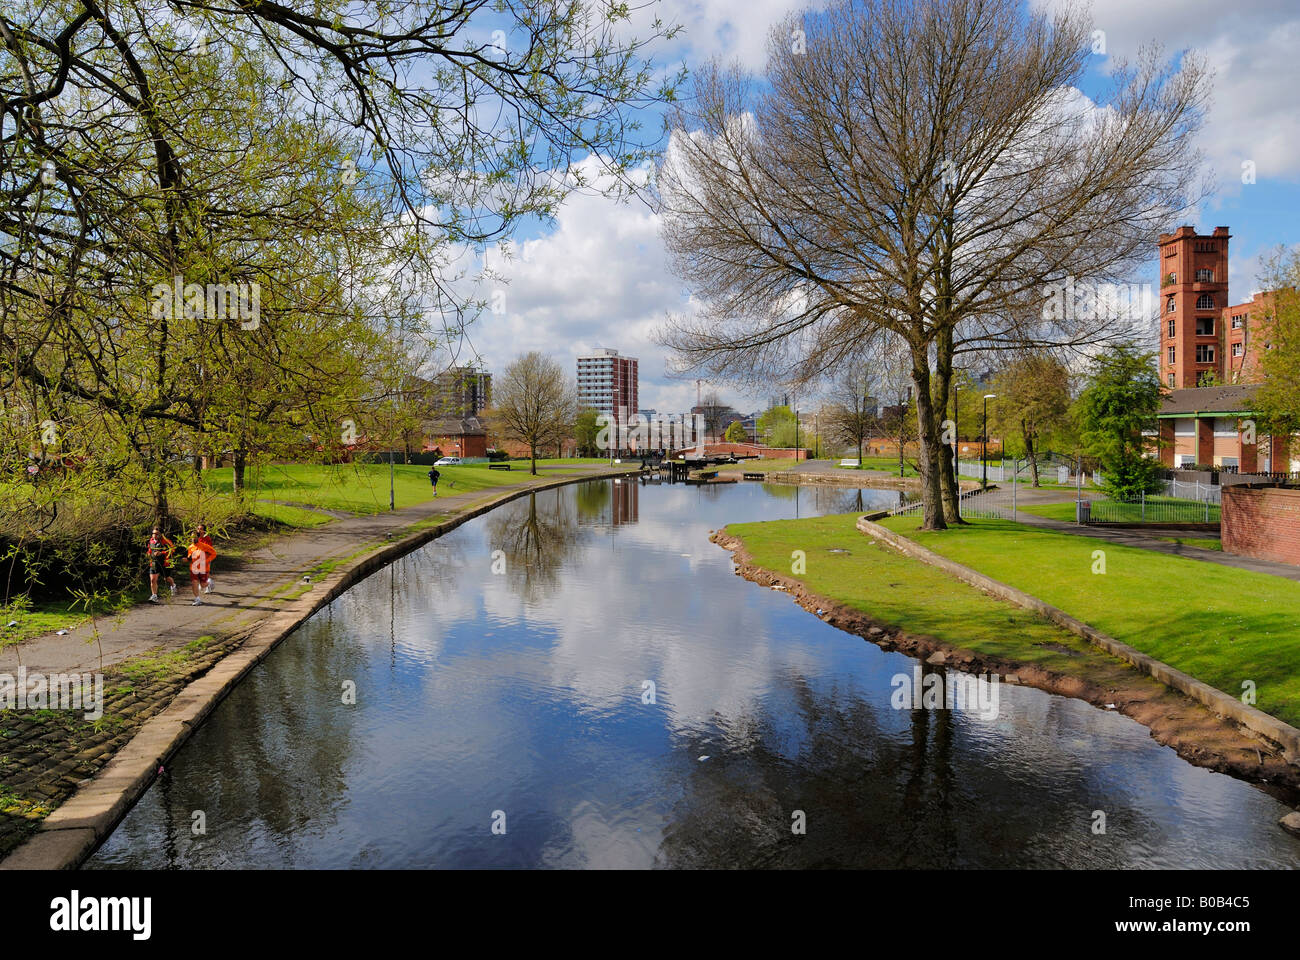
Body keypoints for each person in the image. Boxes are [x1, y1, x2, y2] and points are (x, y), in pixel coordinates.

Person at [145, 526, 177, 604]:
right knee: (153, 580)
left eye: (156, 534)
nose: (154, 535)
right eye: (153, 534)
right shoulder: (151, 541)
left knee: (166, 578)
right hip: (154, 562)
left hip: (164, 563)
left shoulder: (166, 541)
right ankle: (154, 596)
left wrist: (161, 553)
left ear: (161, 534)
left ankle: (173, 585)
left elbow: (172, 550)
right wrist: (148, 554)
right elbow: (149, 550)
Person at [186, 530, 217, 605]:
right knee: (194, 583)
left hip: (203, 568)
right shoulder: (190, 547)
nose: (193, 538)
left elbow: (214, 553)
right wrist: (187, 559)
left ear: (198, 537)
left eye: (195, 536)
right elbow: (190, 557)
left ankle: (209, 583)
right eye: (192, 537)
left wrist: (207, 560)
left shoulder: (204, 546)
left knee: (203, 585)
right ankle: (197, 599)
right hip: (193, 568)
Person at [195, 522, 215, 594]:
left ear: (204, 531)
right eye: (198, 529)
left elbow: (209, 549)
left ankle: (208, 587)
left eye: (201, 529)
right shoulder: (196, 538)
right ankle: (206, 583)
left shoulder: (207, 539)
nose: (199, 530)